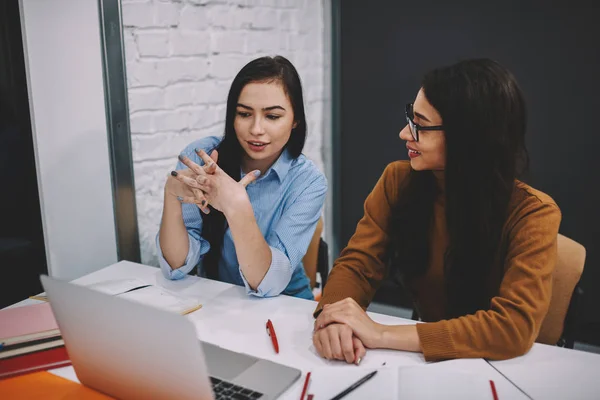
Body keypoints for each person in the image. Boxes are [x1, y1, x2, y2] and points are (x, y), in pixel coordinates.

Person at [312, 59, 561, 364]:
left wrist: (381, 333)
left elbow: (512, 328)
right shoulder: (397, 181)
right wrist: (333, 317)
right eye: (410, 117)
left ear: (468, 137)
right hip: (423, 360)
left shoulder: (533, 214)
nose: (405, 133)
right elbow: (358, 264)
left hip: (499, 368)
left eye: (421, 125)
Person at [157, 56, 327, 300]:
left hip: (285, 303)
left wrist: (236, 205)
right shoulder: (200, 158)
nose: (256, 129)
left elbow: (268, 283)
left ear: (295, 121)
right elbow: (176, 267)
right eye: (244, 114)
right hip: (219, 299)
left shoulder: (308, 182)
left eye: (272, 116)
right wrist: (171, 195)